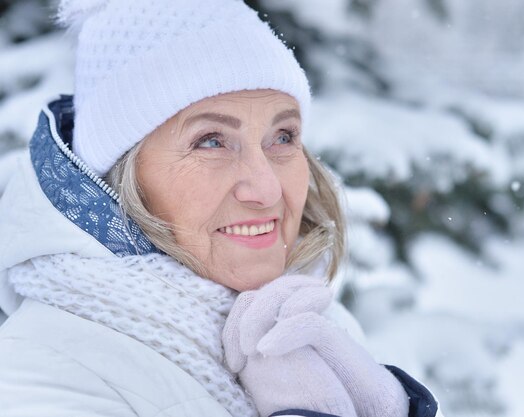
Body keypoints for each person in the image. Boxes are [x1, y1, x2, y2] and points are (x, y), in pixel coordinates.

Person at [0, 1, 442, 416]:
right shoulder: (42, 371)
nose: (267, 189)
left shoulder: (308, 327)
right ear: (117, 175)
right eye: (211, 141)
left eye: (283, 136)